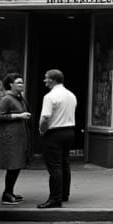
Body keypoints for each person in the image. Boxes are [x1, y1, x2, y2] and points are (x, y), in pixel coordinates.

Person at [36, 69, 77, 209]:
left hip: (54, 133)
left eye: (46, 78)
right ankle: (65, 193)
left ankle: (55, 198)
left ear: (52, 80)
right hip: (69, 131)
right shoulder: (71, 95)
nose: (44, 81)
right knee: (65, 163)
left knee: (55, 167)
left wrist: (42, 130)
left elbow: (45, 118)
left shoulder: (50, 96)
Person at [0, 73, 30, 205]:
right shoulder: (7, 99)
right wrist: (18, 116)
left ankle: (9, 192)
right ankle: (7, 194)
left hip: (19, 136)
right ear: (11, 84)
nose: (22, 84)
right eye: (19, 82)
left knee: (16, 165)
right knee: (13, 165)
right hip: (10, 138)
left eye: (22, 82)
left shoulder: (19, 98)